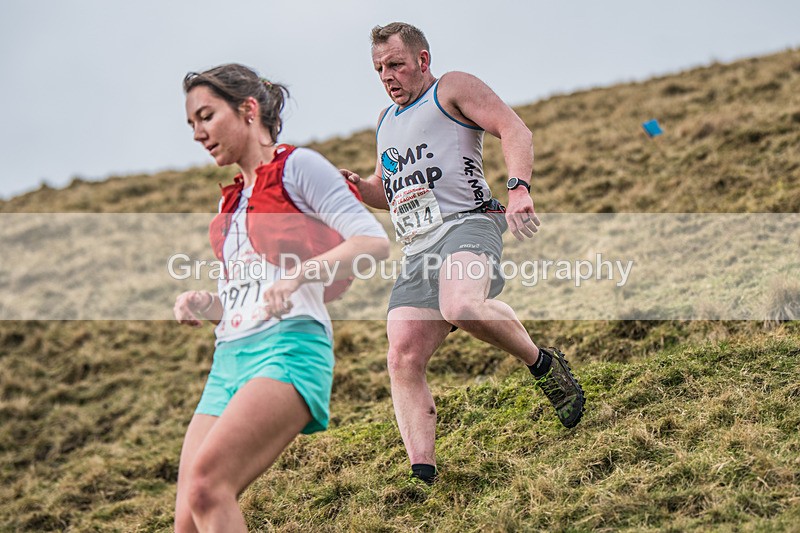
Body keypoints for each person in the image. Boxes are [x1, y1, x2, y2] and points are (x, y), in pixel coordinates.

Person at [340, 22, 585, 485]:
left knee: (461, 304)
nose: (387, 76)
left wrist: (519, 190)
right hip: (419, 247)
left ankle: (543, 365)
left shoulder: (450, 89)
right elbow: (385, 190)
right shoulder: (385, 121)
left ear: (422, 61)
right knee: (402, 356)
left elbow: (515, 130)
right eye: (378, 69)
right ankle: (423, 476)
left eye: (395, 64)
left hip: (469, 223)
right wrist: (358, 188)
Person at [172, 63, 389, 532]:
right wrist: (206, 304)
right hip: (228, 359)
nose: (197, 133)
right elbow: (244, 295)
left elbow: (372, 241)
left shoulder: (299, 166)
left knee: (208, 487)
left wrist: (299, 276)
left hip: (288, 349)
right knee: (187, 520)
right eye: (192, 123)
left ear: (248, 109)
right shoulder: (231, 200)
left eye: (206, 116)